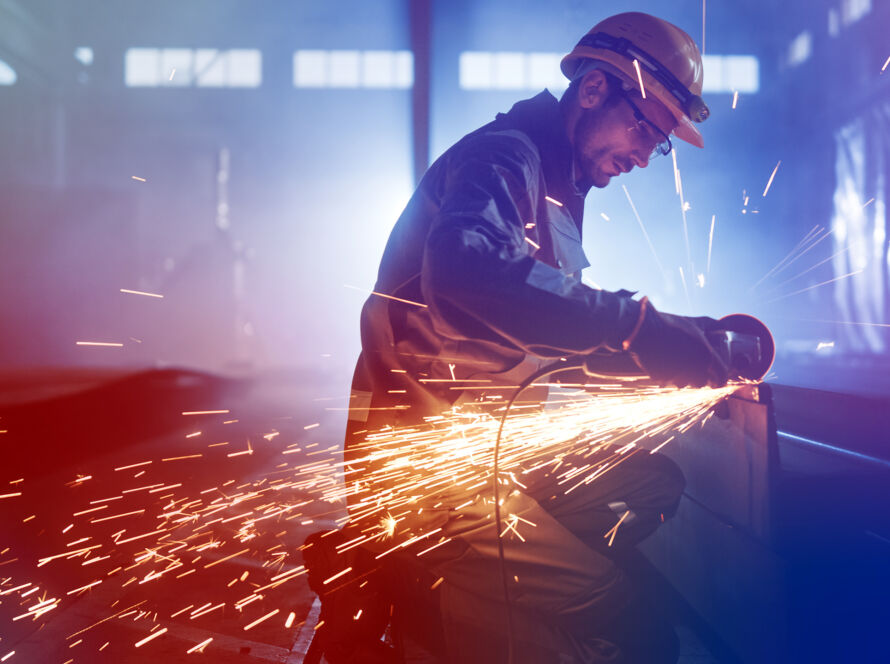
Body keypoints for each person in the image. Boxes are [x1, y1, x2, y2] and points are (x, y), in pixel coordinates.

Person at [337, 12, 730, 663]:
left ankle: (456, 600)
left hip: (485, 452)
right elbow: (465, 272)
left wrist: (670, 359)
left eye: (657, 142)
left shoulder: (556, 184)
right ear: (595, 89)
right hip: (434, 476)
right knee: (632, 621)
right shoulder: (505, 157)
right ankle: (427, 604)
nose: (642, 155)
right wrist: (636, 325)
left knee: (649, 488)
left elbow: (536, 334)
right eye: (643, 127)